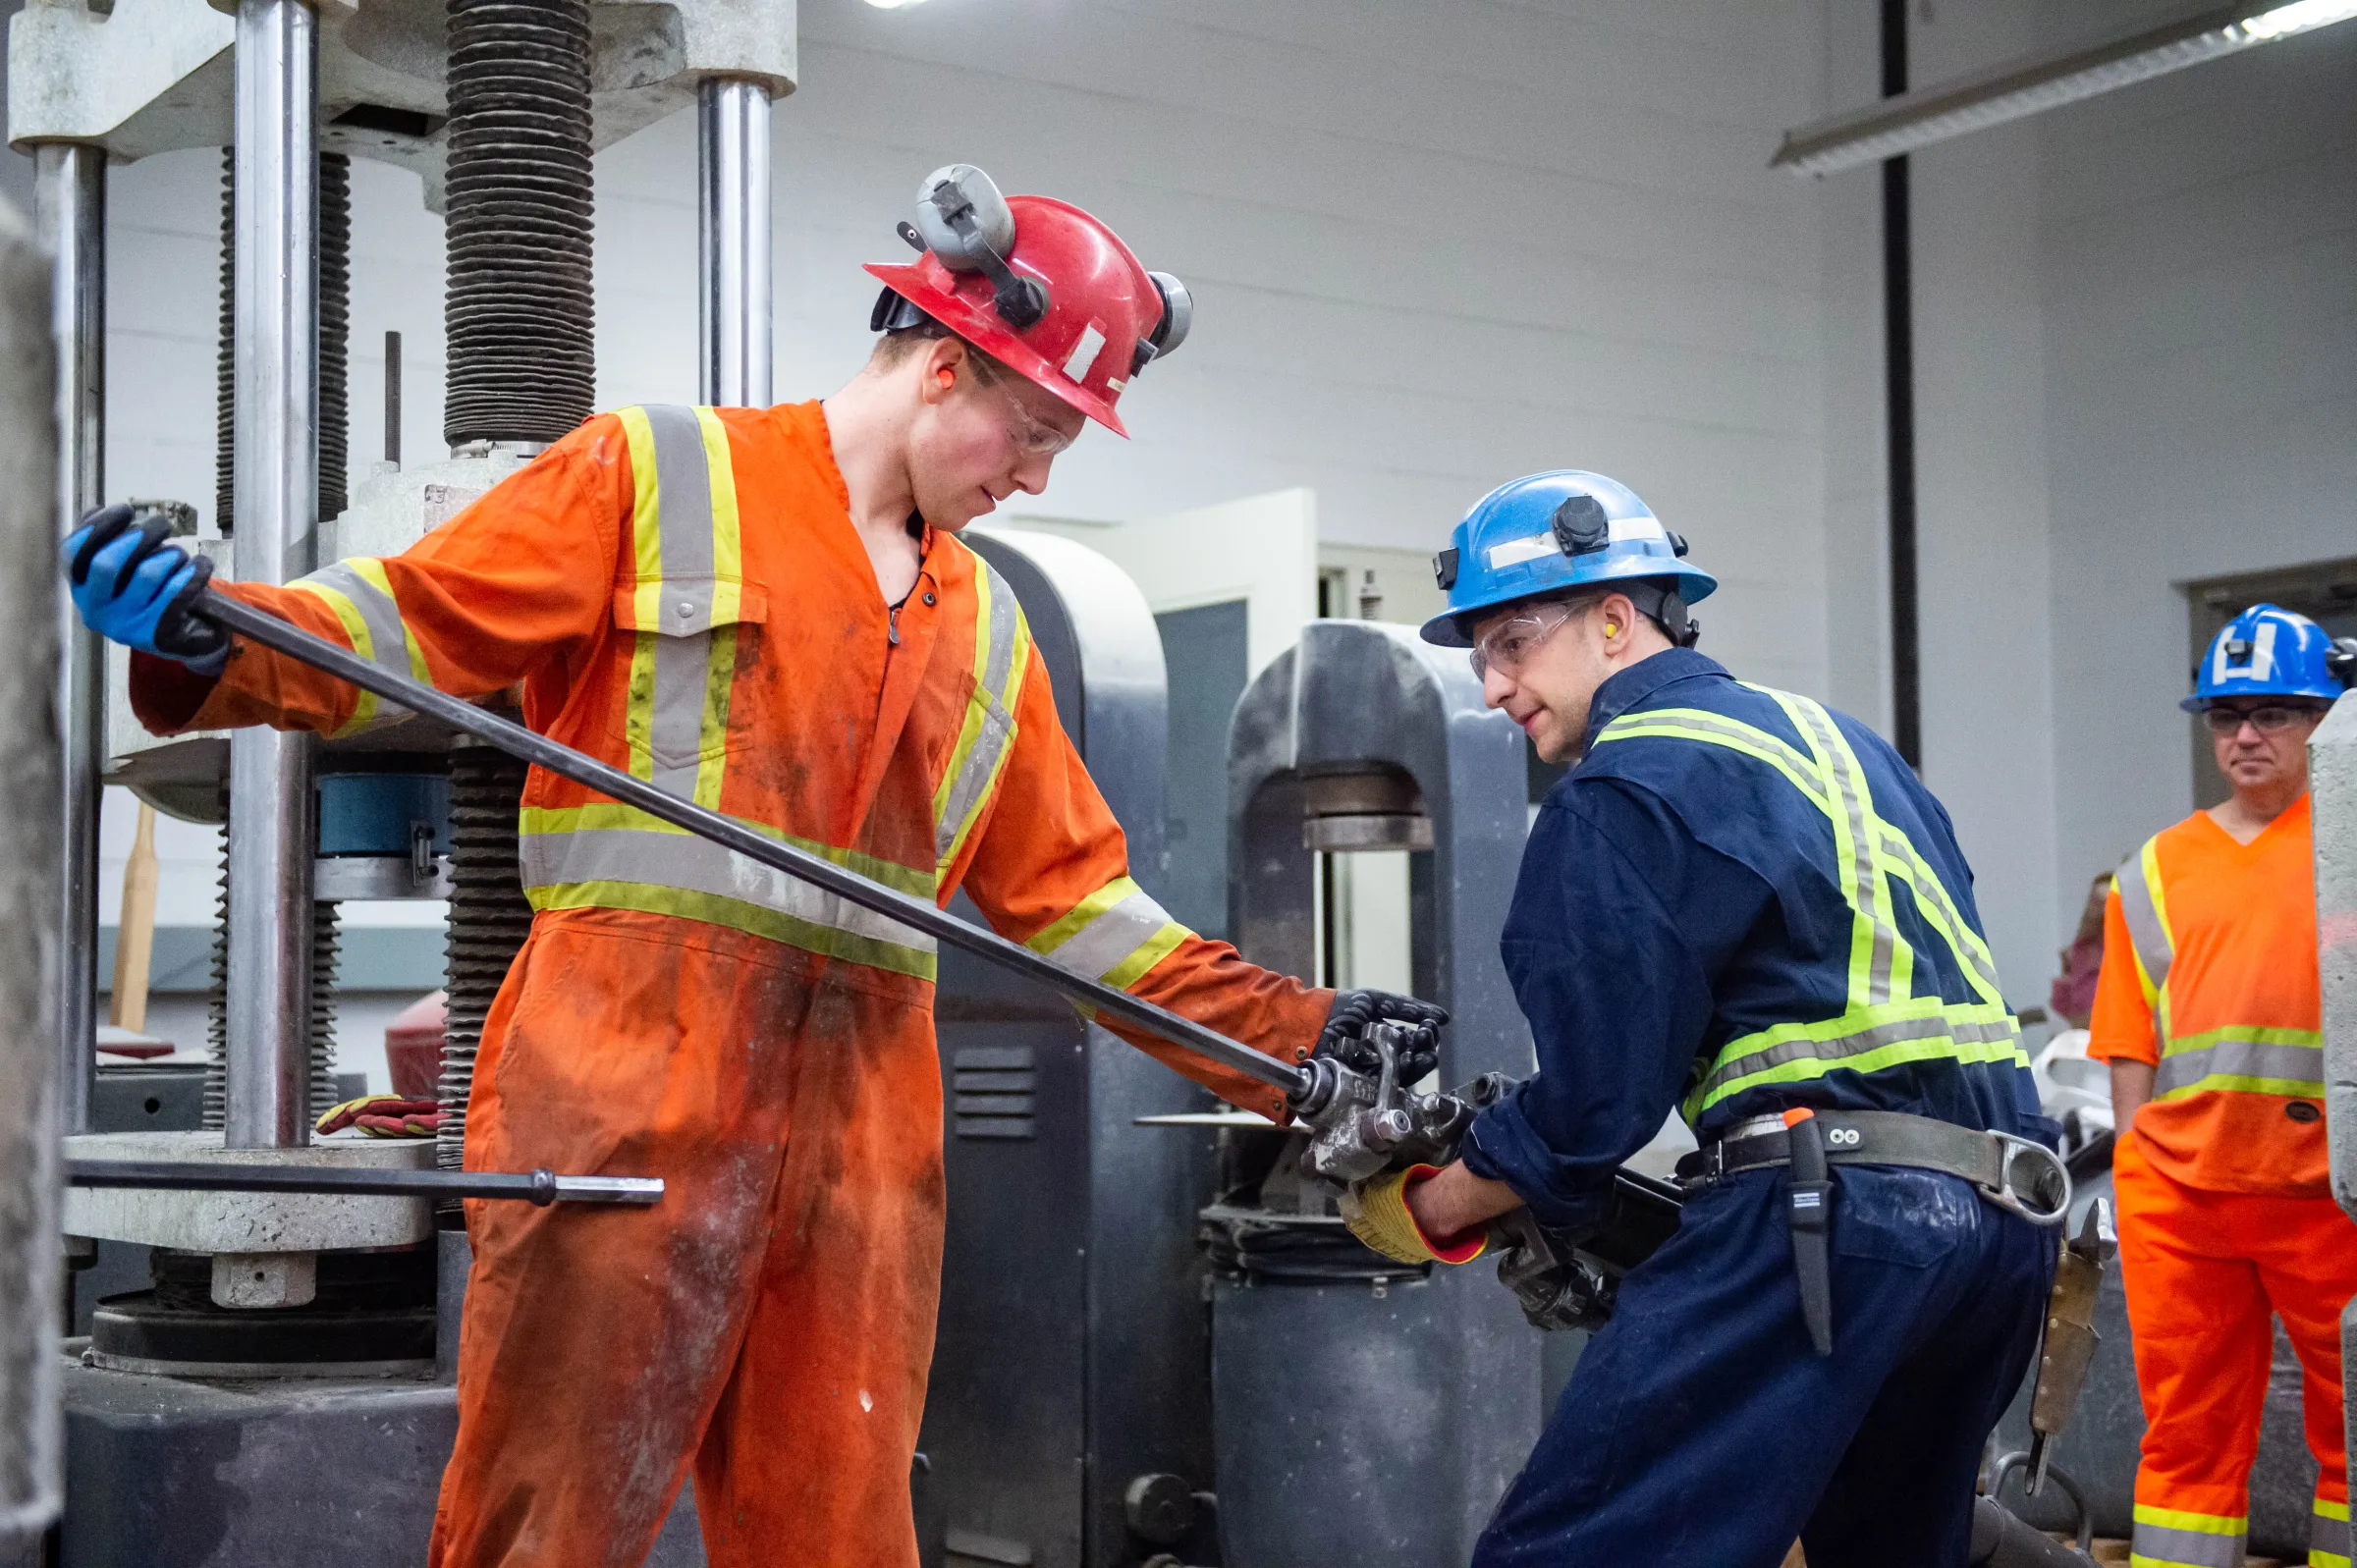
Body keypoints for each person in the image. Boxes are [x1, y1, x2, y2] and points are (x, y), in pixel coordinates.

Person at [62, 164, 1443, 1568]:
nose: (1034, 476)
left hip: (861, 1143)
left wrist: (1297, 1031)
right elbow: (421, 625)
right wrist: (216, 635)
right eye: (1031, 432)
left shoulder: (990, 627)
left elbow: (1078, 909)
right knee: (549, 1528)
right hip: (621, 1095)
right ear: (942, 364)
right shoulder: (658, 473)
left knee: (839, 1539)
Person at [1337, 470, 2062, 1567]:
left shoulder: (1622, 788)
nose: (1492, 687)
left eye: (1513, 645)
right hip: (2004, 1226)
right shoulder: (1847, 748)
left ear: (1616, 620)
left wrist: (1426, 1204)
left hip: (1831, 1220)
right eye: (1481, 655)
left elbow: (1586, 1115)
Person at [2089, 603, 2357, 1568]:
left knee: (2354, 1429)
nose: (2246, 736)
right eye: (2226, 715)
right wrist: (2131, 1167)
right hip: (2183, 1198)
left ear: (2329, 717)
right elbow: (2126, 1036)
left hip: (2327, 1193)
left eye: (2276, 713)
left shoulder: (2352, 849)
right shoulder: (2154, 868)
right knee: (2186, 1435)